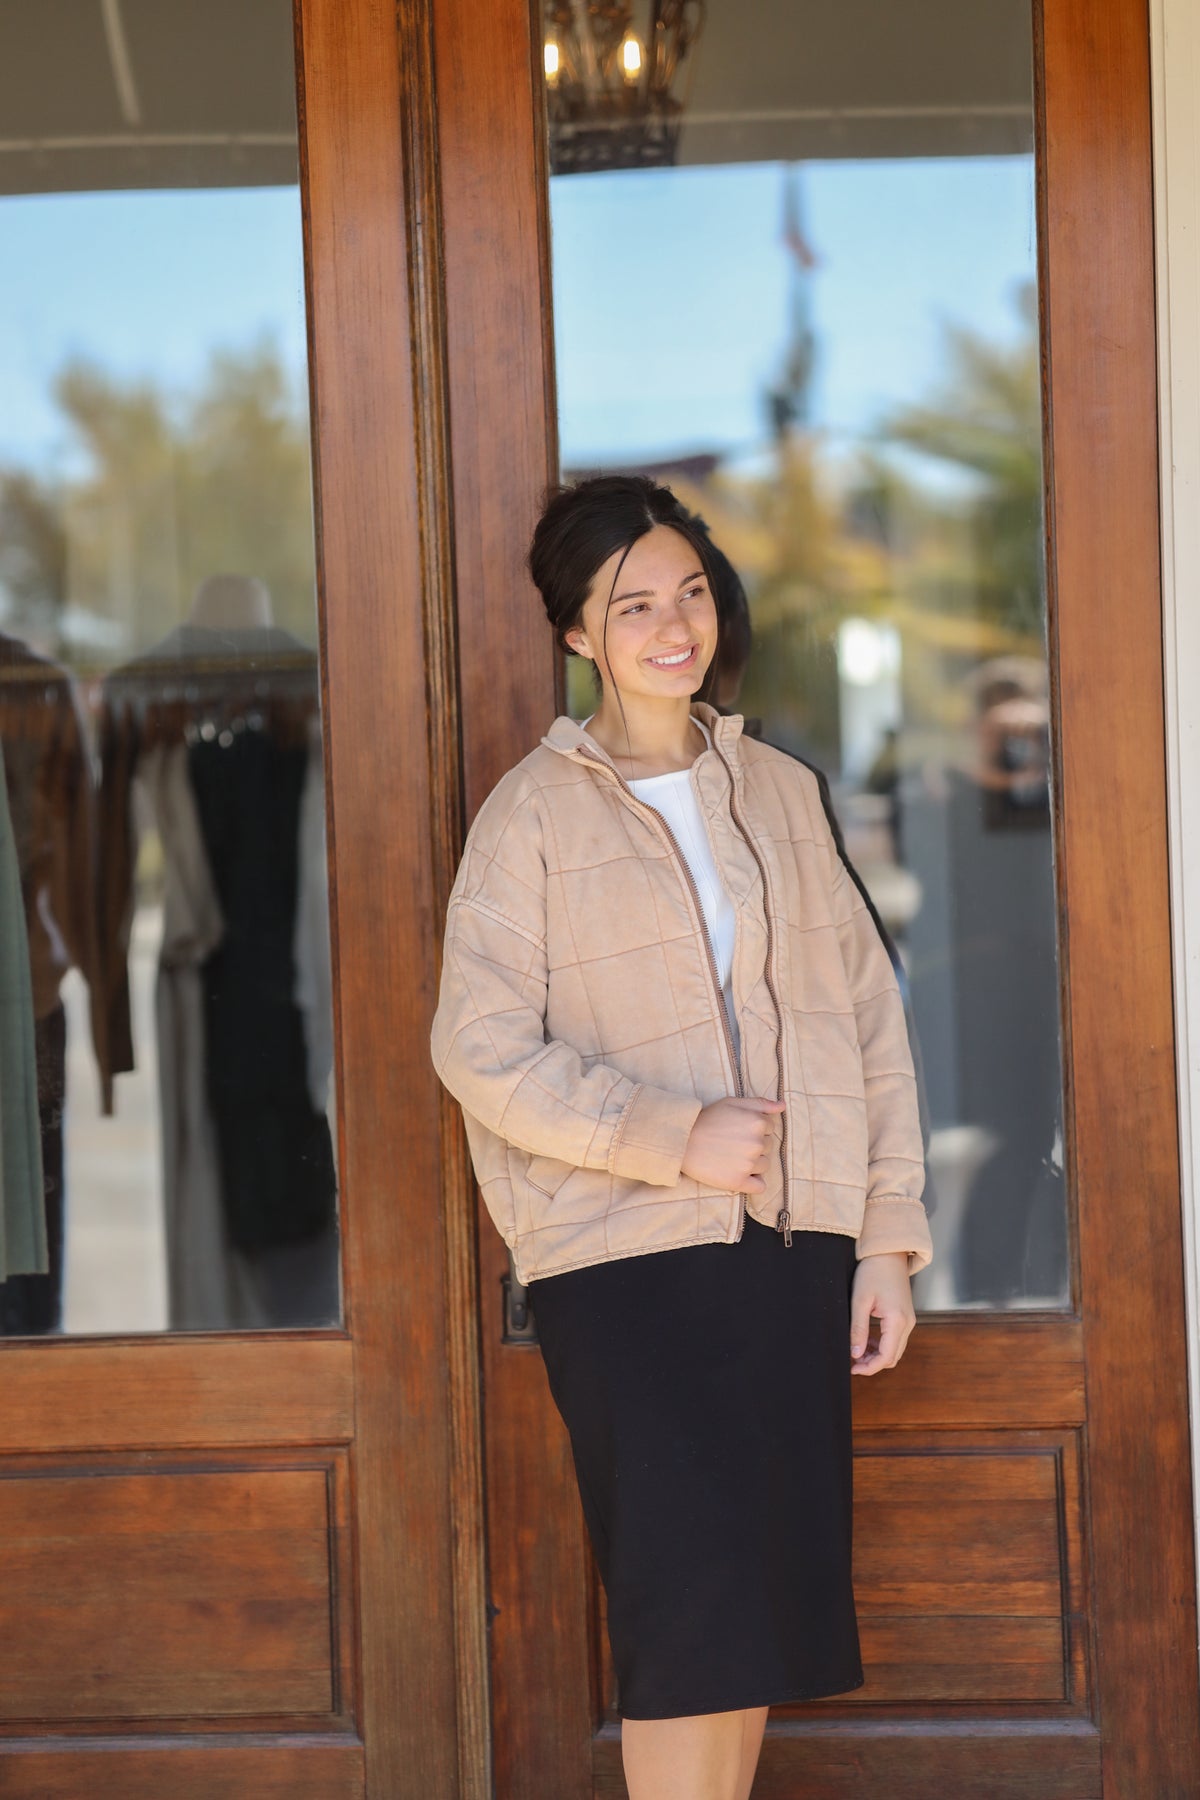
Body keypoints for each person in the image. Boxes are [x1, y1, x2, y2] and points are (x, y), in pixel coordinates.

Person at [430, 473, 931, 1800]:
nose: (674, 626)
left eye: (691, 593)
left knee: (754, 1616)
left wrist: (884, 1239)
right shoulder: (530, 815)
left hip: (789, 1248)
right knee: (688, 1619)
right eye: (634, 605)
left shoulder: (782, 791)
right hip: (625, 1265)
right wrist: (672, 1136)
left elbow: (867, 1022)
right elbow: (477, 1050)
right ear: (578, 633)